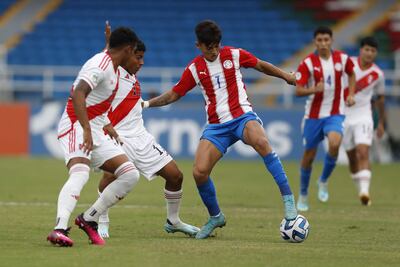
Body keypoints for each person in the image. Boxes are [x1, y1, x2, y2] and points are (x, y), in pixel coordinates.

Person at [141, 20, 300, 239]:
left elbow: (261, 65)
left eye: (217, 45)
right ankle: (216, 216)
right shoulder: (195, 69)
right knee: (199, 172)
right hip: (216, 126)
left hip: (242, 116)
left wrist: (286, 76)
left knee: (262, 143)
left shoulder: (234, 54)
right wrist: (147, 104)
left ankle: (289, 203)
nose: (214, 50)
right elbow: (174, 94)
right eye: (209, 47)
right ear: (199, 45)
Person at [97, 22, 199, 238]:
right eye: (138, 58)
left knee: (175, 176)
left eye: (142, 57)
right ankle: (101, 220)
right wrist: (108, 44)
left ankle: (173, 221)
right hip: (118, 138)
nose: (141, 62)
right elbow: (107, 58)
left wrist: (144, 104)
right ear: (126, 55)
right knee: (110, 177)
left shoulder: (133, 76)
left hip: (142, 138)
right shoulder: (112, 72)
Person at [47, 27, 140, 246]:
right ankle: (59, 229)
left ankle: (88, 219)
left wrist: (107, 127)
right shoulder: (101, 64)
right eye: (135, 52)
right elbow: (79, 92)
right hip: (75, 125)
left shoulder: (113, 66)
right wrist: (86, 129)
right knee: (80, 173)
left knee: (130, 174)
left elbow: (97, 102)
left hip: (96, 128)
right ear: (127, 49)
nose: (136, 57)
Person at [295, 26, 356, 211]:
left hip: (335, 113)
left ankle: (323, 180)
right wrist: (314, 89)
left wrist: (351, 94)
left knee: (335, 143)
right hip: (313, 116)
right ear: (315, 41)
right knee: (309, 156)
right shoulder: (307, 63)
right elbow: (298, 90)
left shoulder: (342, 59)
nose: (323, 43)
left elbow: (352, 74)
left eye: (326, 40)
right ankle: (303, 193)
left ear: (331, 41)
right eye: (319, 40)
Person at [342, 36, 385, 206]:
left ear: (375, 54)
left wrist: (380, 122)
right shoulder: (348, 64)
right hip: (344, 115)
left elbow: (380, 99)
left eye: (373, 51)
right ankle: (359, 188)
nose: (369, 53)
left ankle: (364, 192)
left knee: (363, 151)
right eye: (366, 49)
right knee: (352, 157)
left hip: (363, 115)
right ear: (361, 50)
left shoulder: (378, 74)